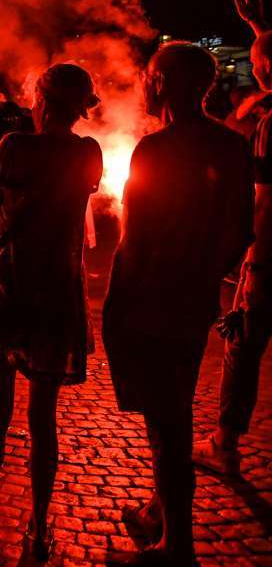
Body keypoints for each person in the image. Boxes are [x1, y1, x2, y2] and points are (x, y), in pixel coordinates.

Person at [103, 42, 253, 566]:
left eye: (148, 75)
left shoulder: (156, 150)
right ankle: (159, 513)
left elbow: (135, 239)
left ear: (162, 82)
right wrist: (206, 273)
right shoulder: (232, 147)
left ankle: (177, 548)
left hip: (154, 299)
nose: (143, 84)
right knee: (175, 406)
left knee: (167, 424)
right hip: (194, 298)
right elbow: (242, 230)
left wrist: (116, 306)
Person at [0, 64, 102, 562]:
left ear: (41, 100)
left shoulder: (14, 148)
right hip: (58, 292)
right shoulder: (88, 153)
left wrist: (5, 141)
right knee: (44, 418)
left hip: (11, 286)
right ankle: (39, 530)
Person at [195, 0, 272, 479]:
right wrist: (259, 29)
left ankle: (224, 443)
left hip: (270, 257)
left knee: (243, 342)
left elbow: (266, 201)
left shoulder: (271, 126)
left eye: (257, 64)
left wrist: (251, 260)